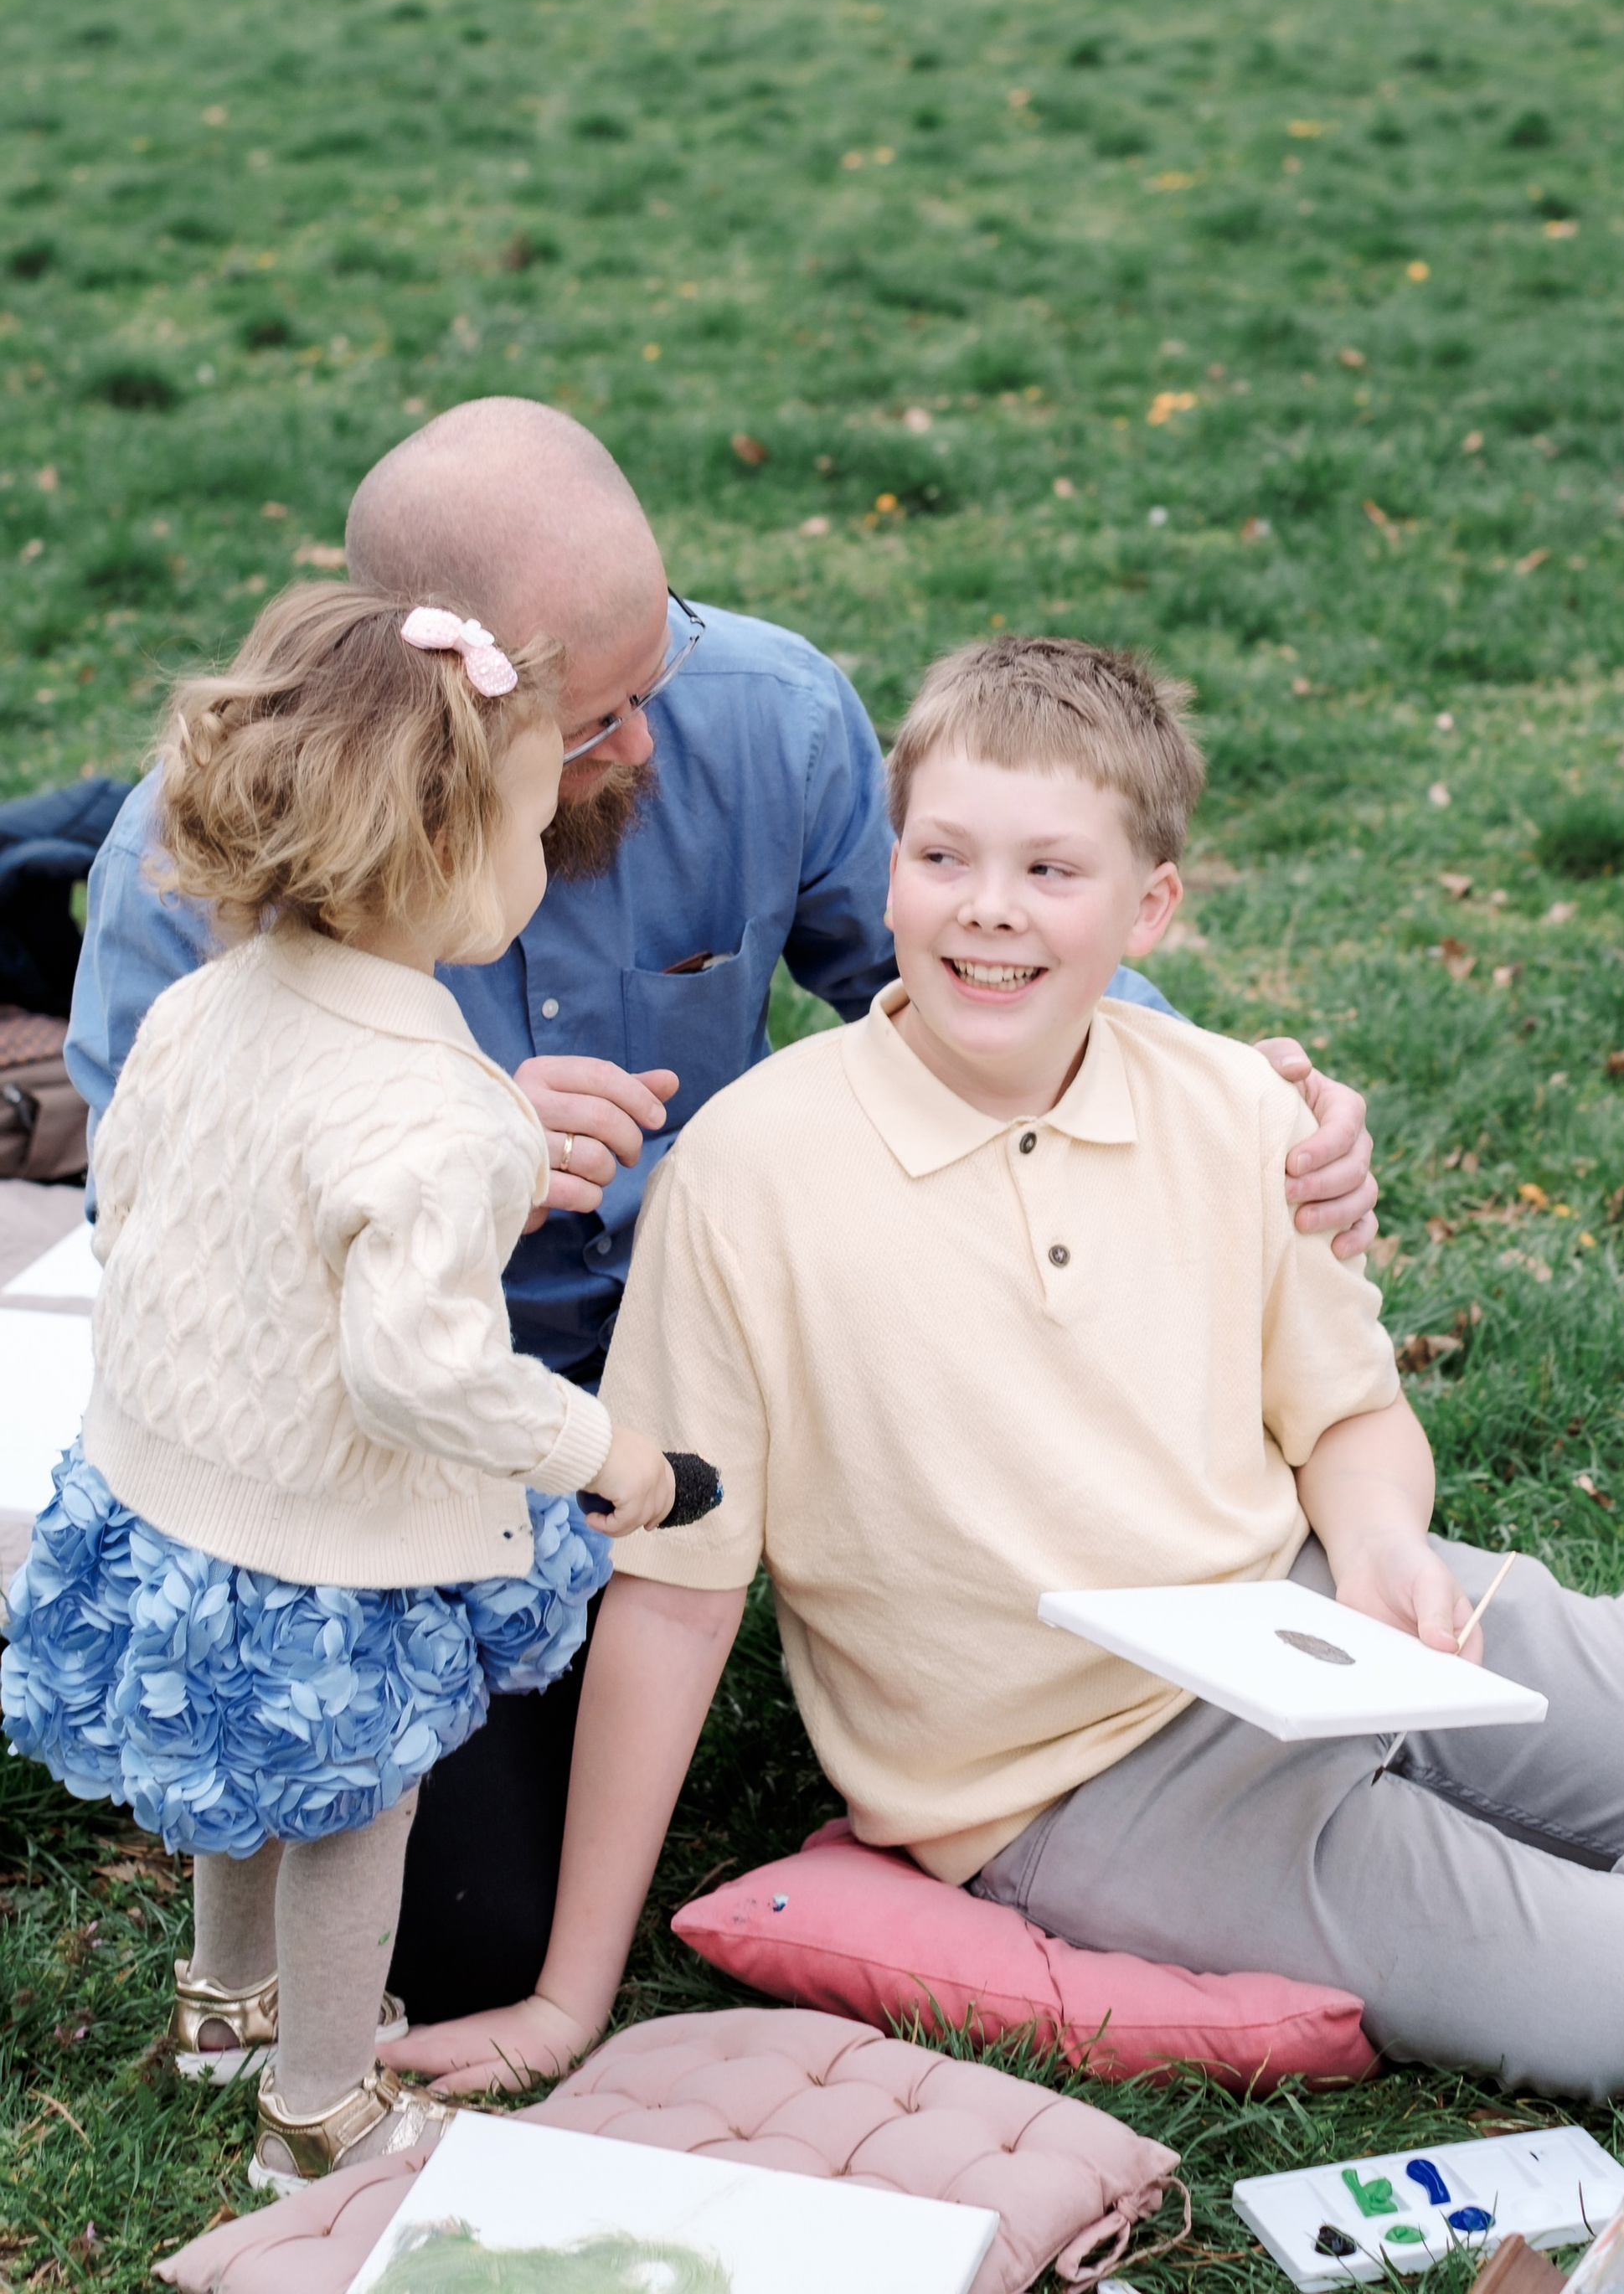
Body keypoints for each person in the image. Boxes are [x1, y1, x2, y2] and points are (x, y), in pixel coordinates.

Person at [400, 635, 1624, 2108]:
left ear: (1149, 908)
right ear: (890, 869)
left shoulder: (1234, 1105)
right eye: (944, 858)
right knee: (1620, 2002)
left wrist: (1383, 1550)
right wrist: (568, 1996)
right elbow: (676, 1602)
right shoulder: (746, 1174)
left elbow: (1351, 1415)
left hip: (1323, 1618)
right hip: (1072, 1786)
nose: (989, 910)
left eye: (1050, 870)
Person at [64, 400, 1380, 2020]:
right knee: (459, 1944)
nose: (643, 746)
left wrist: (1241, 1104)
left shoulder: (766, 716)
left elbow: (985, 976)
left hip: (746, 1363)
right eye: (596, 719)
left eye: (657, 672)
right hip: (417, 1436)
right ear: (446, 697)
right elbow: (158, 1241)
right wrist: (428, 1166)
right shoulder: (206, 848)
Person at [2, 585, 676, 2193]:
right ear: (441, 851)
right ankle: (321, 2110)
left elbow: (138, 1208)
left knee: (233, 1777)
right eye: (531, 829)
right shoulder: (443, 1103)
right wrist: (599, 1445)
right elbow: (419, 1372)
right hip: (331, 1546)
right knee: (352, 1813)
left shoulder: (201, 1000)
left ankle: (222, 2006)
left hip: (170, 1484)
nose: (544, 857)